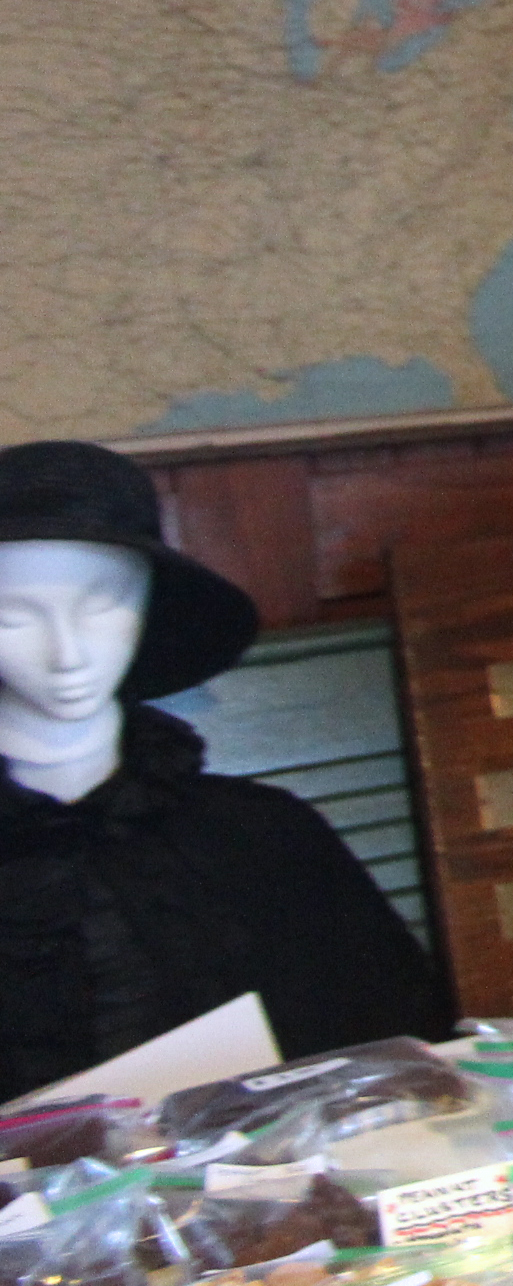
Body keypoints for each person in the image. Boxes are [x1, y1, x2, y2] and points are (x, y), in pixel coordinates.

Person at [0, 441, 446, 1098]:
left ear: (149, 605)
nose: (67, 654)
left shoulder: (268, 839)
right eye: (13, 616)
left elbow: (397, 1054)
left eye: (101, 603)